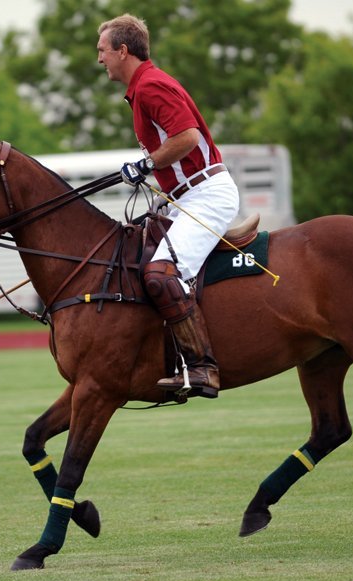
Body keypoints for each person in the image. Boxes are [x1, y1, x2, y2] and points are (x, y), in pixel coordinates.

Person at [97, 14, 240, 399]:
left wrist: (146, 163)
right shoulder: (142, 89)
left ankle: (201, 368)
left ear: (122, 50)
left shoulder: (152, 86)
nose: (99, 59)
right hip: (185, 196)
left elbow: (188, 137)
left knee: (162, 275)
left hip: (206, 193)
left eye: (102, 50)